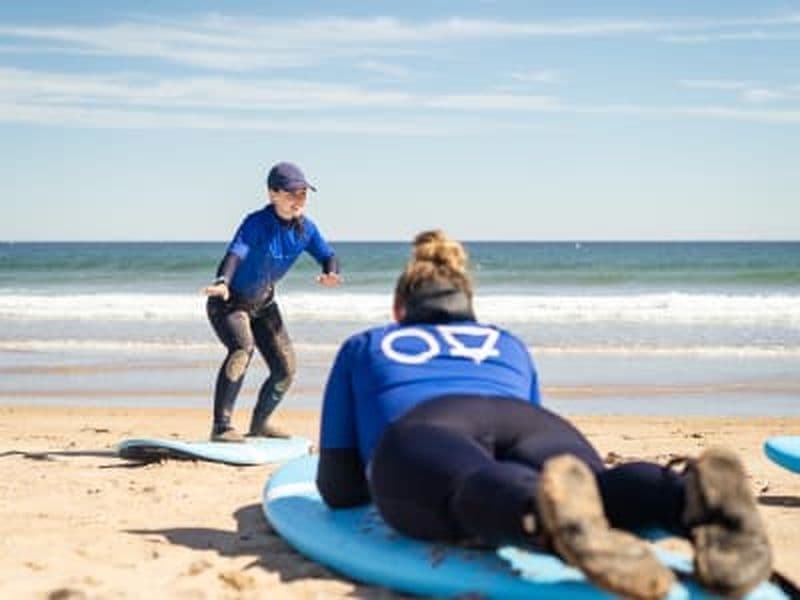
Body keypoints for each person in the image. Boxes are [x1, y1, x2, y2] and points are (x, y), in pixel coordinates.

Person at [316, 230, 772, 600]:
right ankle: (686, 499)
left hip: (429, 428)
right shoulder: (506, 343)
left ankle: (537, 513)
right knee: (591, 490)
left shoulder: (366, 344)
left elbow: (339, 487)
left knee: (470, 482)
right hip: (534, 423)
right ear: (470, 309)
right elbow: (543, 470)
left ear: (399, 311)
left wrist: (386, 475)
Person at [203, 162, 340, 442]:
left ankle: (261, 424)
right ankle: (221, 427)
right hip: (229, 303)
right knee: (242, 349)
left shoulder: (306, 229)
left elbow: (328, 255)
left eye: (303, 194)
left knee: (285, 370)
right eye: (292, 194)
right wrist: (222, 282)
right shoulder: (256, 223)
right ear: (273, 194)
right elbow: (235, 254)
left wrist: (331, 272)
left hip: (263, 305)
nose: (298, 201)